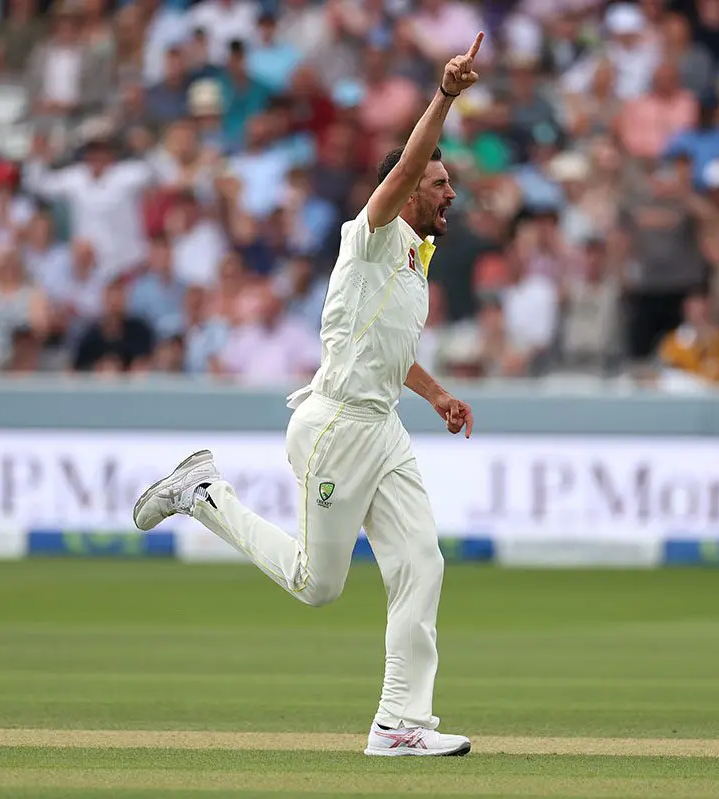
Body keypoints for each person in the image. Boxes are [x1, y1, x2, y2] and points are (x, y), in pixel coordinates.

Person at [132, 34, 484, 757]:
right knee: (316, 585)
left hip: (379, 425)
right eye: (440, 183)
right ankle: (204, 494)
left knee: (422, 561)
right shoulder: (371, 235)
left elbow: (388, 352)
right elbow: (408, 166)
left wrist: (438, 392)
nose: (451, 192)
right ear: (410, 187)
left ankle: (399, 723)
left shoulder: (414, 262)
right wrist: (443, 96)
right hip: (332, 428)